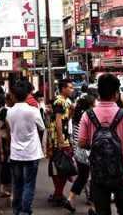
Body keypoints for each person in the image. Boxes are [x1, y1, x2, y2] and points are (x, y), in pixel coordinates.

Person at [78, 73, 123, 215]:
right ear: (116, 94)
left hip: (98, 174)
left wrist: (95, 145)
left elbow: (81, 142)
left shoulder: (88, 115)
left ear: (99, 93)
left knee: (102, 211)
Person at [6, 80, 45, 215]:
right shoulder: (33, 111)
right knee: (29, 183)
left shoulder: (9, 112)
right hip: (31, 152)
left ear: (15, 95)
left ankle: (16, 210)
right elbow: (42, 127)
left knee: (17, 184)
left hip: (16, 153)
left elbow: (10, 129)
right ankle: (25, 211)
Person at [66, 94, 96, 214]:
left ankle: (70, 199)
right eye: (94, 102)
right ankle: (93, 207)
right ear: (90, 104)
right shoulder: (89, 116)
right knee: (94, 178)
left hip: (78, 151)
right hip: (88, 150)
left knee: (82, 177)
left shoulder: (76, 115)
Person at [48, 79, 75, 207]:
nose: (72, 89)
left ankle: (58, 193)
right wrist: (59, 140)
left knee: (63, 166)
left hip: (65, 136)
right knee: (58, 166)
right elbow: (58, 122)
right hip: (58, 138)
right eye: (70, 87)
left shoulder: (67, 101)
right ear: (63, 88)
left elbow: (67, 118)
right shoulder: (59, 101)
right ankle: (58, 193)